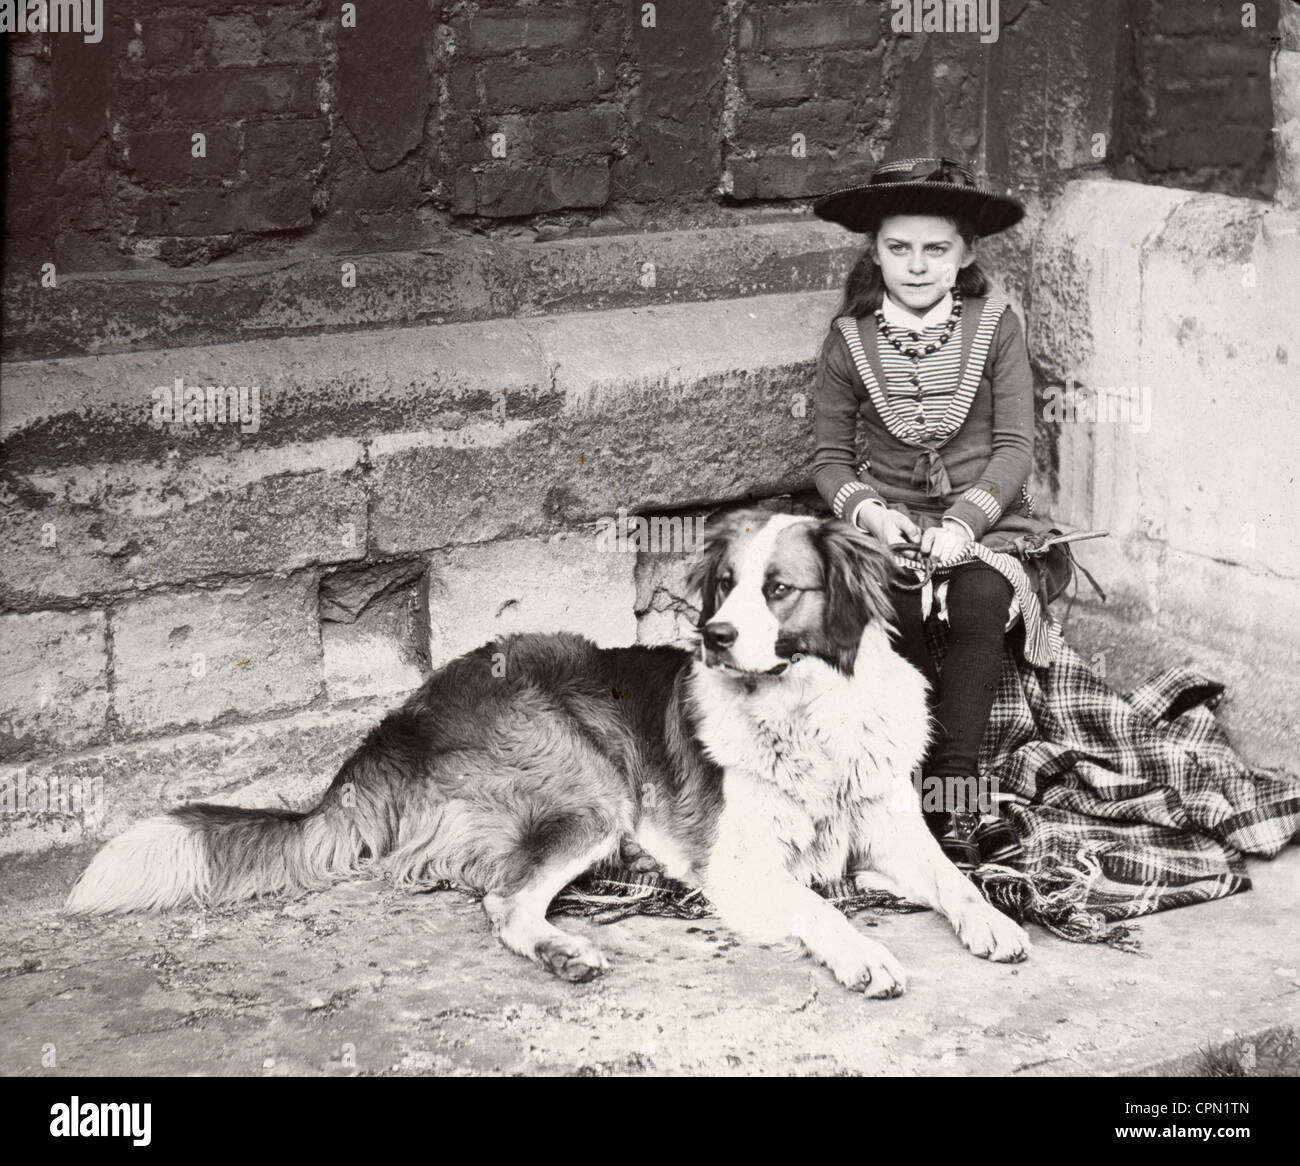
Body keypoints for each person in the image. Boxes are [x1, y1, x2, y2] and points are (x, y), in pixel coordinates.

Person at [810, 156, 1060, 871]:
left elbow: (1015, 445)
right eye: (899, 248)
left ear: (966, 253)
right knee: (897, 606)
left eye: (935, 249)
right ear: (875, 250)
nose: (916, 266)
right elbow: (828, 459)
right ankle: (905, 790)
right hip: (889, 519)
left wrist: (962, 527)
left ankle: (952, 795)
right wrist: (877, 519)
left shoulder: (994, 326)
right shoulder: (849, 340)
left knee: (980, 600)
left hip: (989, 518)